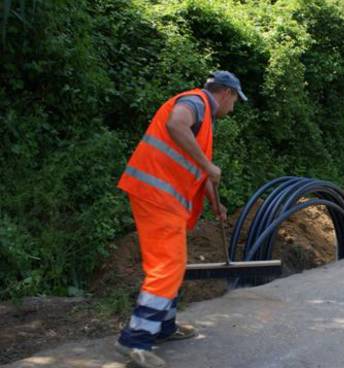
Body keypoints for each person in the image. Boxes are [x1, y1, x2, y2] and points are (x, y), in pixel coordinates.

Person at [114, 71, 247, 368]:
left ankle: (163, 326)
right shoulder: (196, 101)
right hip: (157, 195)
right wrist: (208, 165)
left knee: (173, 264)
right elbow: (176, 124)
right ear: (226, 93)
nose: (233, 108)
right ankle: (135, 339)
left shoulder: (204, 120)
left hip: (163, 198)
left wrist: (216, 201)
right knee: (167, 266)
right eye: (235, 100)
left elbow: (201, 170)